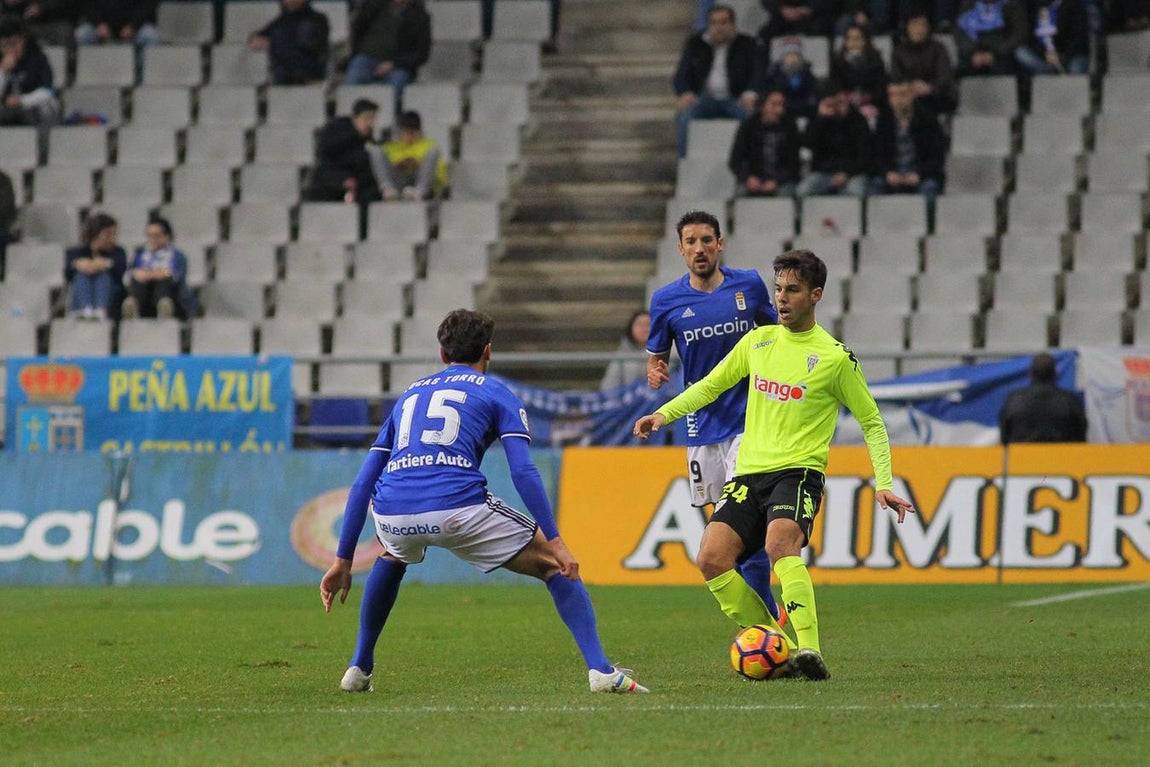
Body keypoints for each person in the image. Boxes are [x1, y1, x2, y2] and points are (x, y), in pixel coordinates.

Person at [320, 308, 648, 695]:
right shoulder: (496, 392)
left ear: (443, 355)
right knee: (553, 567)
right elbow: (523, 472)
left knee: (392, 555)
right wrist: (556, 540)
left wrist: (342, 559)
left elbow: (363, 482)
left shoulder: (409, 395)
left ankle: (359, 667)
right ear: (488, 352)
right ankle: (601, 671)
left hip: (391, 511)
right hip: (457, 507)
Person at [635, 249, 915, 681]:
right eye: (778, 289)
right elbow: (710, 386)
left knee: (780, 545)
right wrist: (663, 414)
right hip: (749, 473)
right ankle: (772, 640)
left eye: (793, 290)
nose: (781, 299)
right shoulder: (759, 341)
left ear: (816, 295)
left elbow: (873, 423)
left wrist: (883, 481)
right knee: (711, 558)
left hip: (798, 472)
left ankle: (810, 650)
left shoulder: (834, 358)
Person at [646, 210, 785, 627]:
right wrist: (655, 370)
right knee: (724, 525)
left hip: (750, 421)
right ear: (681, 249)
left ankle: (764, 621)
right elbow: (656, 356)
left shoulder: (748, 285)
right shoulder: (666, 301)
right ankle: (761, 617)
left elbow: (778, 335)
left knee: (748, 515)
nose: (700, 248)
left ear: (720, 244)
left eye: (707, 240)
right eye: (691, 242)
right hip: (701, 426)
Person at [671, 3, 762, 158]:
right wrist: (685, 93)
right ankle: (683, 161)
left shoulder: (748, 44)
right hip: (704, 100)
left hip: (736, 99)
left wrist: (751, 93)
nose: (719, 27)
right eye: (714, 23)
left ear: (733, 24)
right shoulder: (695, 44)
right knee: (684, 116)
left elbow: (758, 74)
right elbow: (680, 76)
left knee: (754, 119)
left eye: (724, 22)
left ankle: (754, 162)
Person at [867, 79, 948, 207]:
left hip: (920, 174)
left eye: (902, 94)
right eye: (893, 95)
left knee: (929, 188)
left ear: (912, 96)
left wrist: (919, 174)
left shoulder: (928, 119)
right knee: (874, 186)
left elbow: (937, 157)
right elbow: (876, 155)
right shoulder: (883, 122)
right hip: (893, 173)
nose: (898, 100)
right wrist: (887, 173)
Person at [343, 0, 431, 113]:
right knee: (353, 78)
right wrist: (357, 53)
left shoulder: (420, 16)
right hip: (366, 59)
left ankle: (384, 120)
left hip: (398, 66)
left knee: (395, 84)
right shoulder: (373, 6)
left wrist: (394, 64)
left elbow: (422, 54)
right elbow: (358, 30)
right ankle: (347, 121)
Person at [796, 82, 871, 198]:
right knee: (804, 190)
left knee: (856, 191)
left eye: (840, 102)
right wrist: (821, 119)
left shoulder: (858, 120)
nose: (837, 107)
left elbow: (864, 154)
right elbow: (808, 144)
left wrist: (846, 173)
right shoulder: (819, 120)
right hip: (825, 173)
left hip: (852, 173)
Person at [305, 97, 382, 204]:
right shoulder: (335, 134)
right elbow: (325, 164)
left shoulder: (368, 143)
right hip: (331, 184)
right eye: (366, 118)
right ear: (354, 118)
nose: (370, 124)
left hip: (357, 187)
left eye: (373, 119)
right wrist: (343, 180)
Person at [728, 88, 801, 198]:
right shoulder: (748, 126)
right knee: (740, 193)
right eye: (774, 105)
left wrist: (777, 181)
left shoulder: (790, 126)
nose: (779, 110)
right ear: (763, 106)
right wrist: (748, 178)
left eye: (782, 105)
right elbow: (735, 161)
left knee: (786, 193)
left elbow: (794, 164)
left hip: (781, 181)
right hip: (753, 180)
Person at [999, 353, 1087, 443]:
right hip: (1060, 456)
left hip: (1023, 456)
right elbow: (1081, 437)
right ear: (1055, 373)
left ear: (1030, 373)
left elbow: (1004, 439)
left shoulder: (1014, 400)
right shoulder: (1070, 401)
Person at [369, 109, 447, 201]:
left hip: (420, 180)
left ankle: (419, 192)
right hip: (398, 181)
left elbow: (441, 175)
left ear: (419, 131)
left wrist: (419, 165)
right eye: (405, 132)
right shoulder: (392, 146)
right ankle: (388, 190)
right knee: (376, 151)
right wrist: (399, 164)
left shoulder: (429, 145)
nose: (409, 136)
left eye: (412, 132)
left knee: (434, 152)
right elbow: (384, 167)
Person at [121, 217, 190, 320]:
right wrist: (140, 274)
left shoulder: (176, 256)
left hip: (167, 292)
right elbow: (128, 275)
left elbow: (177, 276)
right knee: (137, 280)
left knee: (164, 280)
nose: (153, 239)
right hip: (143, 292)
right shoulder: (140, 254)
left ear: (167, 236)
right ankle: (133, 306)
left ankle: (164, 308)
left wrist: (154, 274)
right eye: (150, 236)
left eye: (157, 236)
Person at [249, 0, 330, 86]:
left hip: (311, 82)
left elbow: (306, 45)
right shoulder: (279, 23)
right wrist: (255, 40)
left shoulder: (317, 20)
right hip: (282, 83)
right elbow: (258, 38)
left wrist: (274, 43)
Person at [890, 11, 957, 115]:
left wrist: (929, 87)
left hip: (936, 96)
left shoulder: (938, 48)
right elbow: (896, 77)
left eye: (923, 25)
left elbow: (945, 77)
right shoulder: (899, 51)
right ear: (907, 27)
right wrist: (912, 86)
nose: (919, 29)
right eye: (915, 24)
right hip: (909, 95)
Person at [65, 212, 126, 320]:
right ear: (96, 234)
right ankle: (85, 309)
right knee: (81, 276)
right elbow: (68, 274)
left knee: (103, 275)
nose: (112, 238)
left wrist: (106, 264)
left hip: (111, 292)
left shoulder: (118, 252)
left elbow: (121, 272)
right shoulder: (78, 252)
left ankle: (100, 310)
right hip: (82, 289)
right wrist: (81, 265)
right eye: (108, 234)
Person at [0, 16, 58, 129]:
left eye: (13, 43)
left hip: (32, 107)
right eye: (4, 45)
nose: (10, 49)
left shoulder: (37, 58)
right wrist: (2, 71)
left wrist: (22, 101)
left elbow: (47, 92)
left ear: (23, 40)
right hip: (7, 111)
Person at [1014, 0, 1090, 75]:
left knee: (1076, 67)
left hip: (1070, 55)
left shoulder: (1074, 4)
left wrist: (1062, 55)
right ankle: (1049, 74)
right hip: (1044, 55)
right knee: (1021, 53)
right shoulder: (1034, 5)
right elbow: (1031, 37)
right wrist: (1045, 54)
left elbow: (1079, 37)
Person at [829, 23, 888, 118]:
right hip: (844, 107)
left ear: (865, 40)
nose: (853, 43)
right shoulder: (838, 62)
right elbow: (834, 87)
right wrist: (846, 97)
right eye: (849, 39)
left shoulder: (876, 62)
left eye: (857, 39)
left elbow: (880, 90)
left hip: (871, 106)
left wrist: (866, 98)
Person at [953, 0, 1028, 76]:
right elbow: (959, 31)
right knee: (961, 68)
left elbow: (1019, 32)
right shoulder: (969, 3)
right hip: (973, 53)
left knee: (1007, 66)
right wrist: (973, 53)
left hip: (1002, 52)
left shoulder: (1011, 3)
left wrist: (995, 54)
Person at [761, 37, 818, 121]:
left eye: (796, 55)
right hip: (784, 105)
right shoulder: (775, 73)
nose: (792, 59)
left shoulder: (806, 72)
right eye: (789, 55)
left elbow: (812, 89)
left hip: (803, 104)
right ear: (783, 58)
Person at [73, 0, 160, 49]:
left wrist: (133, 26)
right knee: (82, 35)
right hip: (101, 27)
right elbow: (87, 5)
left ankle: (142, 77)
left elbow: (148, 5)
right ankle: (90, 74)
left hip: (135, 28)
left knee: (151, 37)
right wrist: (98, 24)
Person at [599, 309, 651, 390]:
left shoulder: (666, 353)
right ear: (631, 328)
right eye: (640, 325)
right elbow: (610, 385)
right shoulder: (621, 356)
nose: (644, 329)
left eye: (648, 325)